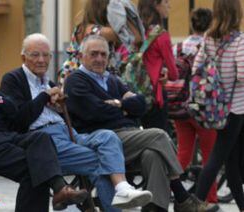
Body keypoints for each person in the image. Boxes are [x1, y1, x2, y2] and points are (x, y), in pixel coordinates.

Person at [0, 33, 152, 212]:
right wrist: (44, 97)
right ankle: (118, 199)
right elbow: (18, 120)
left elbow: (140, 104)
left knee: (108, 136)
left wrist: (59, 106)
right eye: (35, 55)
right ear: (23, 57)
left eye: (46, 55)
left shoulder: (47, 82)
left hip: (68, 133)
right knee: (101, 164)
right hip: (43, 140)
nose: (41, 60)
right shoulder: (13, 79)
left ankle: (122, 189)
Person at [63, 35, 211, 212]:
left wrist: (118, 104)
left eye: (104, 54)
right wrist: (125, 106)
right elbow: (94, 112)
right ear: (81, 56)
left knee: (153, 154)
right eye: (94, 54)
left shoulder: (112, 79)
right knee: (158, 135)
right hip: (102, 140)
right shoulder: (75, 81)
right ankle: (181, 196)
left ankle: (154, 209)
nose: (100, 59)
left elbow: (141, 105)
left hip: (129, 137)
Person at [0, 45, 89, 212]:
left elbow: (11, 108)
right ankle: (60, 189)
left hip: (6, 136)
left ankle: (60, 189)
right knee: (35, 169)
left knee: (40, 137)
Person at [192, 0, 244, 211]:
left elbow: (196, 67)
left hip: (215, 106)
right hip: (235, 108)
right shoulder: (239, 41)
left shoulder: (208, 39)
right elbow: (242, 74)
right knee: (216, 159)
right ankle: (193, 204)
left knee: (230, 161)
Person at [167, 8, 218, 205]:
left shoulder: (177, 47)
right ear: (211, 24)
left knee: (183, 154)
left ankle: (163, 185)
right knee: (210, 156)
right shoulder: (210, 47)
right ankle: (209, 199)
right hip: (202, 108)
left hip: (180, 107)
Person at [59, 0, 144, 85]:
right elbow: (129, 35)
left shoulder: (95, 29)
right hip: (80, 79)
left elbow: (137, 39)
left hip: (96, 77)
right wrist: (122, 9)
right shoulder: (90, 30)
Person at [137, 0, 179, 132]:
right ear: (156, 5)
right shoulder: (161, 35)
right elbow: (174, 74)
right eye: (166, 2)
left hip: (134, 93)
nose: (169, 6)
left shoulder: (138, 32)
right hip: (155, 96)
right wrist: (165, 72)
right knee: (158, 140)